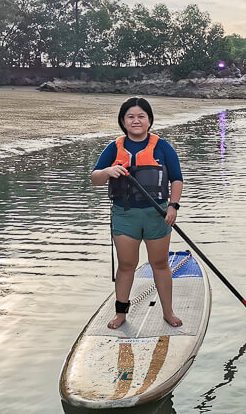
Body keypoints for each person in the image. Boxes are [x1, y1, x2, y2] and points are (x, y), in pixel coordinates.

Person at [90, 97, 184, 329]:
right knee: (126, 264)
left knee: (160, 263)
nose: (136, 120)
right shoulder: (114, 147)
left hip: (157, 214)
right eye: (130, 116)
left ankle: (168, 312)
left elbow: (177, 179)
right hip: (124, 214)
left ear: (149, 120)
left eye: (141, 116)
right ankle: (121, 314)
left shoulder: (163, 146)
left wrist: (173, 206)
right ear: (123, 121)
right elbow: (94, 179)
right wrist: (108, 171)